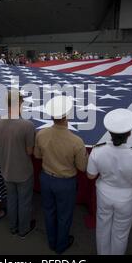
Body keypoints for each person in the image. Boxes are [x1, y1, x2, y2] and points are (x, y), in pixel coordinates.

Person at [87, 109, 132, 255]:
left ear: (110, 132)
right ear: (129, 133)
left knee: (102, 228)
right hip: (127, 198)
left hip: (104, 194)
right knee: (121, 234)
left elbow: (91, 176)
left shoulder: (98, 150)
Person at [34, 96, 88, 254]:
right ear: (67, 115)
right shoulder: (76, 141)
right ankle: (61, 245)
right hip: (65, 183)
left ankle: (52, 241)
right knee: (64, 215)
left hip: (46, 178)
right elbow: (82, 167)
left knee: (49, 211)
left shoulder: (41, 134)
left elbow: (37, 156)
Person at [0, 90, 36, 238]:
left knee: (11, 199)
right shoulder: (27, 125)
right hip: (23, 171)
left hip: (5, 170)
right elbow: (30, 151)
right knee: (24, 201)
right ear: (19, 103)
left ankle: (12, 226)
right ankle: (23, 229)